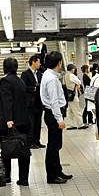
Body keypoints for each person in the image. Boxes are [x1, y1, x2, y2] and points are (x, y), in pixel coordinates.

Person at [0, 57, 32, 186]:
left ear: (4, 67)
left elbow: (6, 101)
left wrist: (9, 119)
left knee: (7, 148)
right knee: (23, 150)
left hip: (11, 121)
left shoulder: (5, 81)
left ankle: (7, 176)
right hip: (24, 120)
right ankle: (24, 178)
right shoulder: (20, 81)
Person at [40, 51, 73, 184]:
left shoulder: (48, 75)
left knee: (56, 145)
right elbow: (54, 101)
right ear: (59, 63)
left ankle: (57, 170)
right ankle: (52, 175)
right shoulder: (52, 79)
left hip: (51, 113)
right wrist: (59, 119)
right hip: (54, 114)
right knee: (53, 146)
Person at [21, 55, 45, 149]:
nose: (40, 64)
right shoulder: (25, 74)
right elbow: (23, 87)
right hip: (30, 103)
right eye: (39, 62)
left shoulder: (40, 74)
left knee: (38, 123)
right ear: (33, 62)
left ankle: (37, 141)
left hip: (39, 102)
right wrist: (34, 88)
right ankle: (30, 142)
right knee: (31, 123)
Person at [63, 64, 87, 130]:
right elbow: (79, 81)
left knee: (70, 111)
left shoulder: (65, 75)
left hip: (68, 95)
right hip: (73, 95)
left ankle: (70, 125)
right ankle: (80, 124)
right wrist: (77, 84)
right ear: (72, 69)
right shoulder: (71, 75)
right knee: (77, 110)